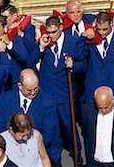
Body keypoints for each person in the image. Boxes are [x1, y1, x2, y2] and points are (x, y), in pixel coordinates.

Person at [28, 15, 87, 165]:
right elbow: (30, 62)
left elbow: (84, 65)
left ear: (61, 28)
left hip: (64, 93)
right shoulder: (44, 43)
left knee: (69, 126)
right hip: (47, 93)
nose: (50, 35)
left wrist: (73, 66)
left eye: (53, 32)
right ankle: (54, 158)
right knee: (50, 127)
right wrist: (40, 47)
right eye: (48, 32)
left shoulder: (73, 42)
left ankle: (76, 152)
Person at [0, 68, 61, 166]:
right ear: (20, 86)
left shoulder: (48, 102)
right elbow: (0, 126)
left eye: (36, 89)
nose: (33, 92)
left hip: (38, 151)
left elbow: (49, 132)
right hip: (11, 152)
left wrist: (30, 147)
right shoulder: (6, 99)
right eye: (29, 90)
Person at [83, 11, 114, 101]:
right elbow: (79, 55)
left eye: (105, 29)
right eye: (99, 29)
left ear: (111, 24)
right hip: (94, 86)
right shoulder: (91, 38)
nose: (101, 32)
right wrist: (83, 38)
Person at [0, 15, 29, 87]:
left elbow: (25, 57)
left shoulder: (15, 39)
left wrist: (10, 45)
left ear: (4, 27)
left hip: (11, 82)